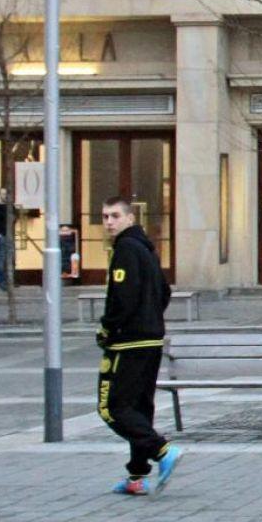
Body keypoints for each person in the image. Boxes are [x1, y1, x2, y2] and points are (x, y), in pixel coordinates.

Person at [96, 195, 182, 496]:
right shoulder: (146, 249)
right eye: (105, 216)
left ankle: (161, 450)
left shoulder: (125, 250)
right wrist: (151, 318)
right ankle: (136, 475)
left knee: (112, 408)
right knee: (138, 408)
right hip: (151, 339)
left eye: (115, 216)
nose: (109, 222)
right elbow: (164, 291)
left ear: (130, 218)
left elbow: (123, 297)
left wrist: (108, 327)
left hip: (128, 342)